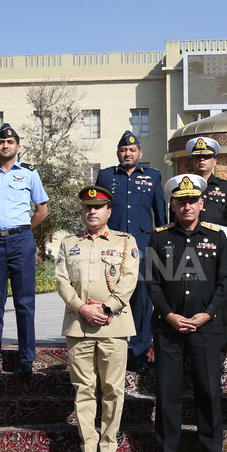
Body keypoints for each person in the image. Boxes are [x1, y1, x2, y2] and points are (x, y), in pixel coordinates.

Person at [146, 174, 227, 452]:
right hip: (168, 327)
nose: (187, 207)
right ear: (173, 205)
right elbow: (152, 282)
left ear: (202, 203)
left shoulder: (217, 237)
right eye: (181, 202)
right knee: (167, 391)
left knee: (208, 390)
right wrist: (169, 315)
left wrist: (207, 314)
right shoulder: (159, 238)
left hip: (207, 326)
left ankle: (211, 450)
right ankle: (167, 450)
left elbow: (224, 281)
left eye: (192, 201)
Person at [55, 185, 139, 452]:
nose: (92, 211)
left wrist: (106, 307)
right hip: (79, 326)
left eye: (98, 207)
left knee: (113, 389)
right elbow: (61, 281)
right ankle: (88, 447)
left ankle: (108, 447)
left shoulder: (126, 242)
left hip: (113, 325)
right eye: (87, 207)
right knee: (84, 389)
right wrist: (82, 308)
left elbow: (130, 279)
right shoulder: (69, 243)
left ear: (109, 211)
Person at [0, 123, 49, 376]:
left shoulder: (29, 173)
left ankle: (26, 360)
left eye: (10, 142)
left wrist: (24, 230)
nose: (5, 146)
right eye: (1, 142)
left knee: (24, 303)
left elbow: (42, 210)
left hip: (20, 241)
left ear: (17, 146)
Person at [96, 132, 166, 373]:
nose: (128, 153)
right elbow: (97, 212)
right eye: (124, 150)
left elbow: (161, 217)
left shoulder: (153, 176)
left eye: (132, 150)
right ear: (118, 153)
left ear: (140, 154)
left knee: (143, 305)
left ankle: (138, 355)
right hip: (110, 252)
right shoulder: (105, 176)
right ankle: (110, 354)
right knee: (110, 302)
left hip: (143, 250)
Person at [177, 136, 227, 254]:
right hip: (187, 246)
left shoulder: (226, 188)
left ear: (214, 161)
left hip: (218, 246)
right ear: (192, 161)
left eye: (206, 157)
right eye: (197, 157)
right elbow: (175, 220)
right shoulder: (180, 187)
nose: (201, 160)